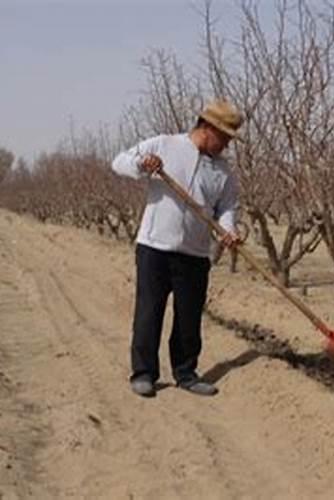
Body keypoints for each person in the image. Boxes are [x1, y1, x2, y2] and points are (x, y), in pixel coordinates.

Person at [112, 100, 243, 397]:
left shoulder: (223, 171)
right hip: (154, 247)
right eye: (223, 137)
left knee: (189, 317)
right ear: (207, 128)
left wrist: (228, 228)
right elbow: (119, 161)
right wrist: (142, 164)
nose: (225, 145)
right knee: (149, 311)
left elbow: (228, 206)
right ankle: (144, 372)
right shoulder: (165, 144)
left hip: (195, 253)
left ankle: (186, 373)